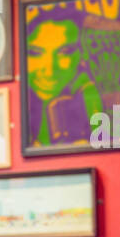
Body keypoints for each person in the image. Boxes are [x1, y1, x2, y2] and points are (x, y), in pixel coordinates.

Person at [25, 13, 102, 147]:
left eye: (64, 52)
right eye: (35, 53)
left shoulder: (88, 93)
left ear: (82, 54)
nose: (49, 71)